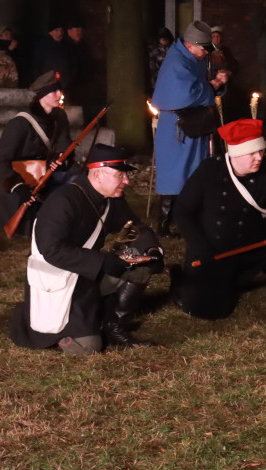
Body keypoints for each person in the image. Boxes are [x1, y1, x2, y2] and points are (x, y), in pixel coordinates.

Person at [9, 144, 164, 354]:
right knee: (88, 347)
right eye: (120, 175)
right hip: (59, 281)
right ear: (98, 175)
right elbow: (52, 250)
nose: (126, 181)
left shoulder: (112, 201)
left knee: (140, 262)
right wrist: (102, 262)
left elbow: (136, 228)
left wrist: (152, 250)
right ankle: (52, 328)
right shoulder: (63, 201)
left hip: (87, 277)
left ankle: (113, 327)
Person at [172, 119, 266, 320]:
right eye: (252, 153)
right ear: (236, 152)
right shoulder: (210, 170)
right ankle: (178, 283)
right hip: (213, 249)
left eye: (261, 151)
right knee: (210, 311)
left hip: (249, 244)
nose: (259, 158)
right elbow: (183, 212)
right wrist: (200, 246)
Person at [151, 21, 228, 235]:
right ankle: (165, 224)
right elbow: (186, 94)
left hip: (194, 124)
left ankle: (190, 219)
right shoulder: (177, 62)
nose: (206, 54)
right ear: (190, 45)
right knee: (175, 174)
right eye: (204, 49)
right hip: (176, 127)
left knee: (195, 171)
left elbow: (202, 87)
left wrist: (216, 82)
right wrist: (212, 86)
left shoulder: (193, 58)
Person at [0, 70, 72, 235]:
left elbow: (64, 145)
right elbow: (0, 159)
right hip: (18, 178)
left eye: (59, 90)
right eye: (54, 91)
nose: (59, 94)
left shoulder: (60, 116)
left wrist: (62, 159)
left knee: (77, 182)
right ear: (42, 95)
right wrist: (18, 185)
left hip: (47, 173)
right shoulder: (19, 124)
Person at [33, 21, 77, 87]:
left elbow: (74, 63)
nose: (59, 33)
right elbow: (37, 66)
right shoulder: (43, 46)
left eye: (61, 31)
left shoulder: (67, 46)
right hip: (47, 85)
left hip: (65, 85)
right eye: (57, 31)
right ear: (50, 32)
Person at [147, 28, 174, 92]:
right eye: (163, 40)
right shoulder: (154, 47)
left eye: (167, 40)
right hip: (156, 70)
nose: (165, 42)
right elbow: (154, 56)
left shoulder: (170, 47)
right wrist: (164, 58)